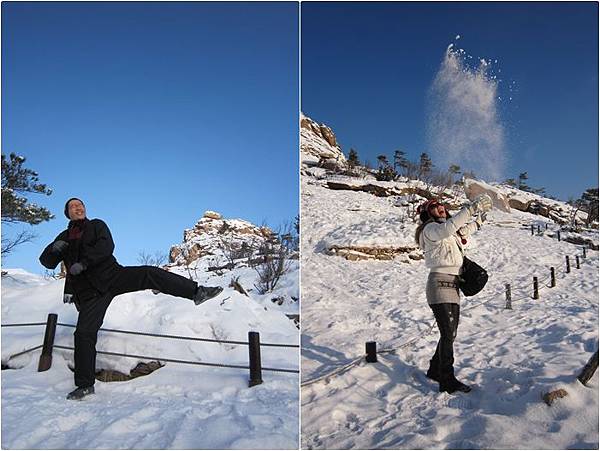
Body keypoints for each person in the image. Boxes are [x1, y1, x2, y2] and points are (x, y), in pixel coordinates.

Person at [40, 198, 223, 400]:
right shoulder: (64, 237)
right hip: (91, 293)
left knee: (148, 273)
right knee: (83, 334)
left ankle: (196, 292)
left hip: (113, 275)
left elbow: (106, 247)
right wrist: (54, 249)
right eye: (73, 206)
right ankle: (85, 385)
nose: (78, 207)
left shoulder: (97, 225)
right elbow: (47, 262)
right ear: (68, 213)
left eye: (80, 204)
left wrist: (83, 262)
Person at [414, 193, 492, 394]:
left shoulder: (448, 233)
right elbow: (449, 227)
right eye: (434, 206)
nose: (440, 208)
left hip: (454, 284)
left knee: (450, 333)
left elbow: (463, 230)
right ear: (426, 213)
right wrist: (471, 208)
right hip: (439, 284)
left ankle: (434, 369)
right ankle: (446, 379)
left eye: (441, 205)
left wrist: (480, 220)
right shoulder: (430, 230)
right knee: (448, 333)